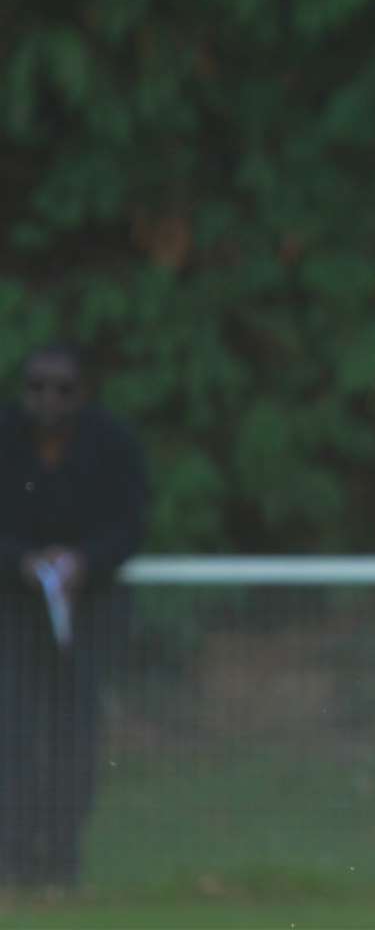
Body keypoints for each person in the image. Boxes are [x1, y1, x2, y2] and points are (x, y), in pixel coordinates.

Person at [0, 342, 148, 890]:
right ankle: (13, 860)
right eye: (36, 387)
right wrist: (22, 562)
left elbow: (132, 521)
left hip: (88, 614)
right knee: (12, 736)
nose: (48, 401)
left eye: (62, 389)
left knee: (74, 738)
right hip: (13, 611)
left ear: (81, 394)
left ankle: (62, 858)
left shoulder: (110, 444)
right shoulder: (6, 440)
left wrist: (84, 561)